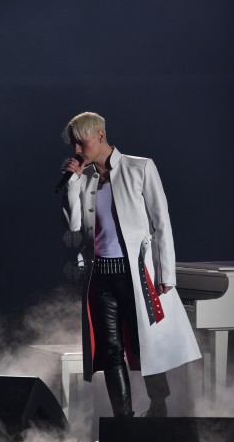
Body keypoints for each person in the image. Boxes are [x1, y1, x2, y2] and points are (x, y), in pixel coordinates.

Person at [59, 111, 201, 417]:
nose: (77, 151)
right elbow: (73, 225)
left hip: (135, 274)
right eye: (74, 145)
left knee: (146, 343)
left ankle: (159, 407)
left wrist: (166, 273)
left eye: (81, 143)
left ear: (100, 135)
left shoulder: (140, 168)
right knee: (111, 350)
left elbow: (162, 223)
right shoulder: (86, 179)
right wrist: (73, 182)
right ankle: (123, 420)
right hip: (100, 277)